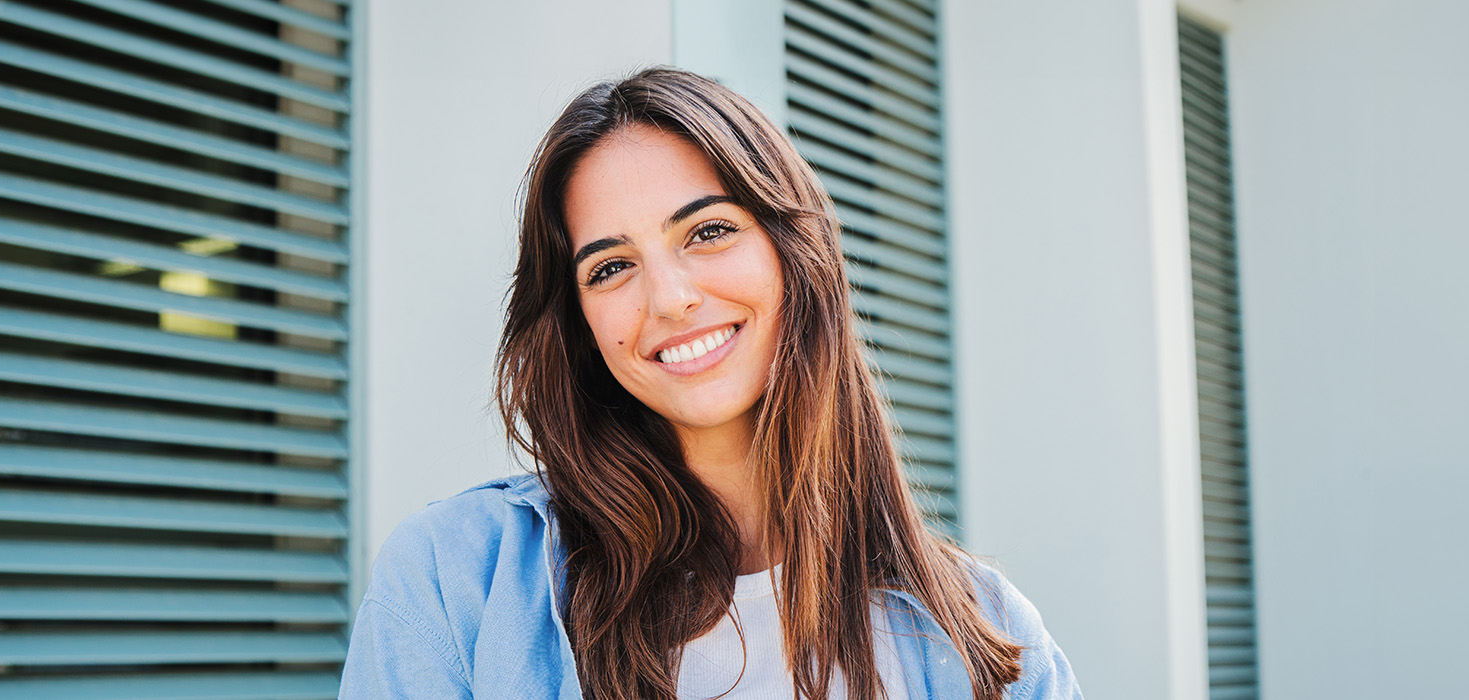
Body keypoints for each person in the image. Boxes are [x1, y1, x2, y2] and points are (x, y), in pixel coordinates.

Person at [338, 68, 1082, 700]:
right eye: (611, 267)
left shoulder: (990, 638)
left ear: (796, 253)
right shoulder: (453, 581)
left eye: (708, 231)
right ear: (581, 326)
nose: (669, 298)